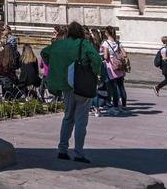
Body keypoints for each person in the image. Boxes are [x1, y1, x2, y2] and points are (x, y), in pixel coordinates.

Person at [41, 20, 101, 164]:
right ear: (80, 32)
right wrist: (96, 73)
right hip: (82, 85)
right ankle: (79, 153)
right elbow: (97, 60)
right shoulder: (83, 44)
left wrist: (56, 65)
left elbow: (44, 53)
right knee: (81, 120)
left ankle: (62, 149)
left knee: (68, 117)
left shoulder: (60, 44)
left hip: (67, 86)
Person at [100, 26, 128, 115]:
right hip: (119, 66)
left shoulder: (106, 43)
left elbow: (105, 56)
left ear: (107, 33)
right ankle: (123, 105)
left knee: (114, 86)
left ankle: (115, 106)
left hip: (111, 66)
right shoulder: (118, 42)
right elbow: (124, 54)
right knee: (121, 86)